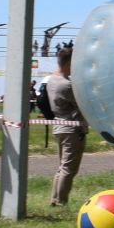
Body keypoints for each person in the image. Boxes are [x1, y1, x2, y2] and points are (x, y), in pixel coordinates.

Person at [45, 44, 85, 209]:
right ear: (69, 63)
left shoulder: (52, 80)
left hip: (59, 126)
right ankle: (61, 202)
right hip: (72, 129)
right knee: (69, 169)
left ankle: (55, 199)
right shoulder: (67, 85)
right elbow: (82, 103)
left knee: (62, 167)